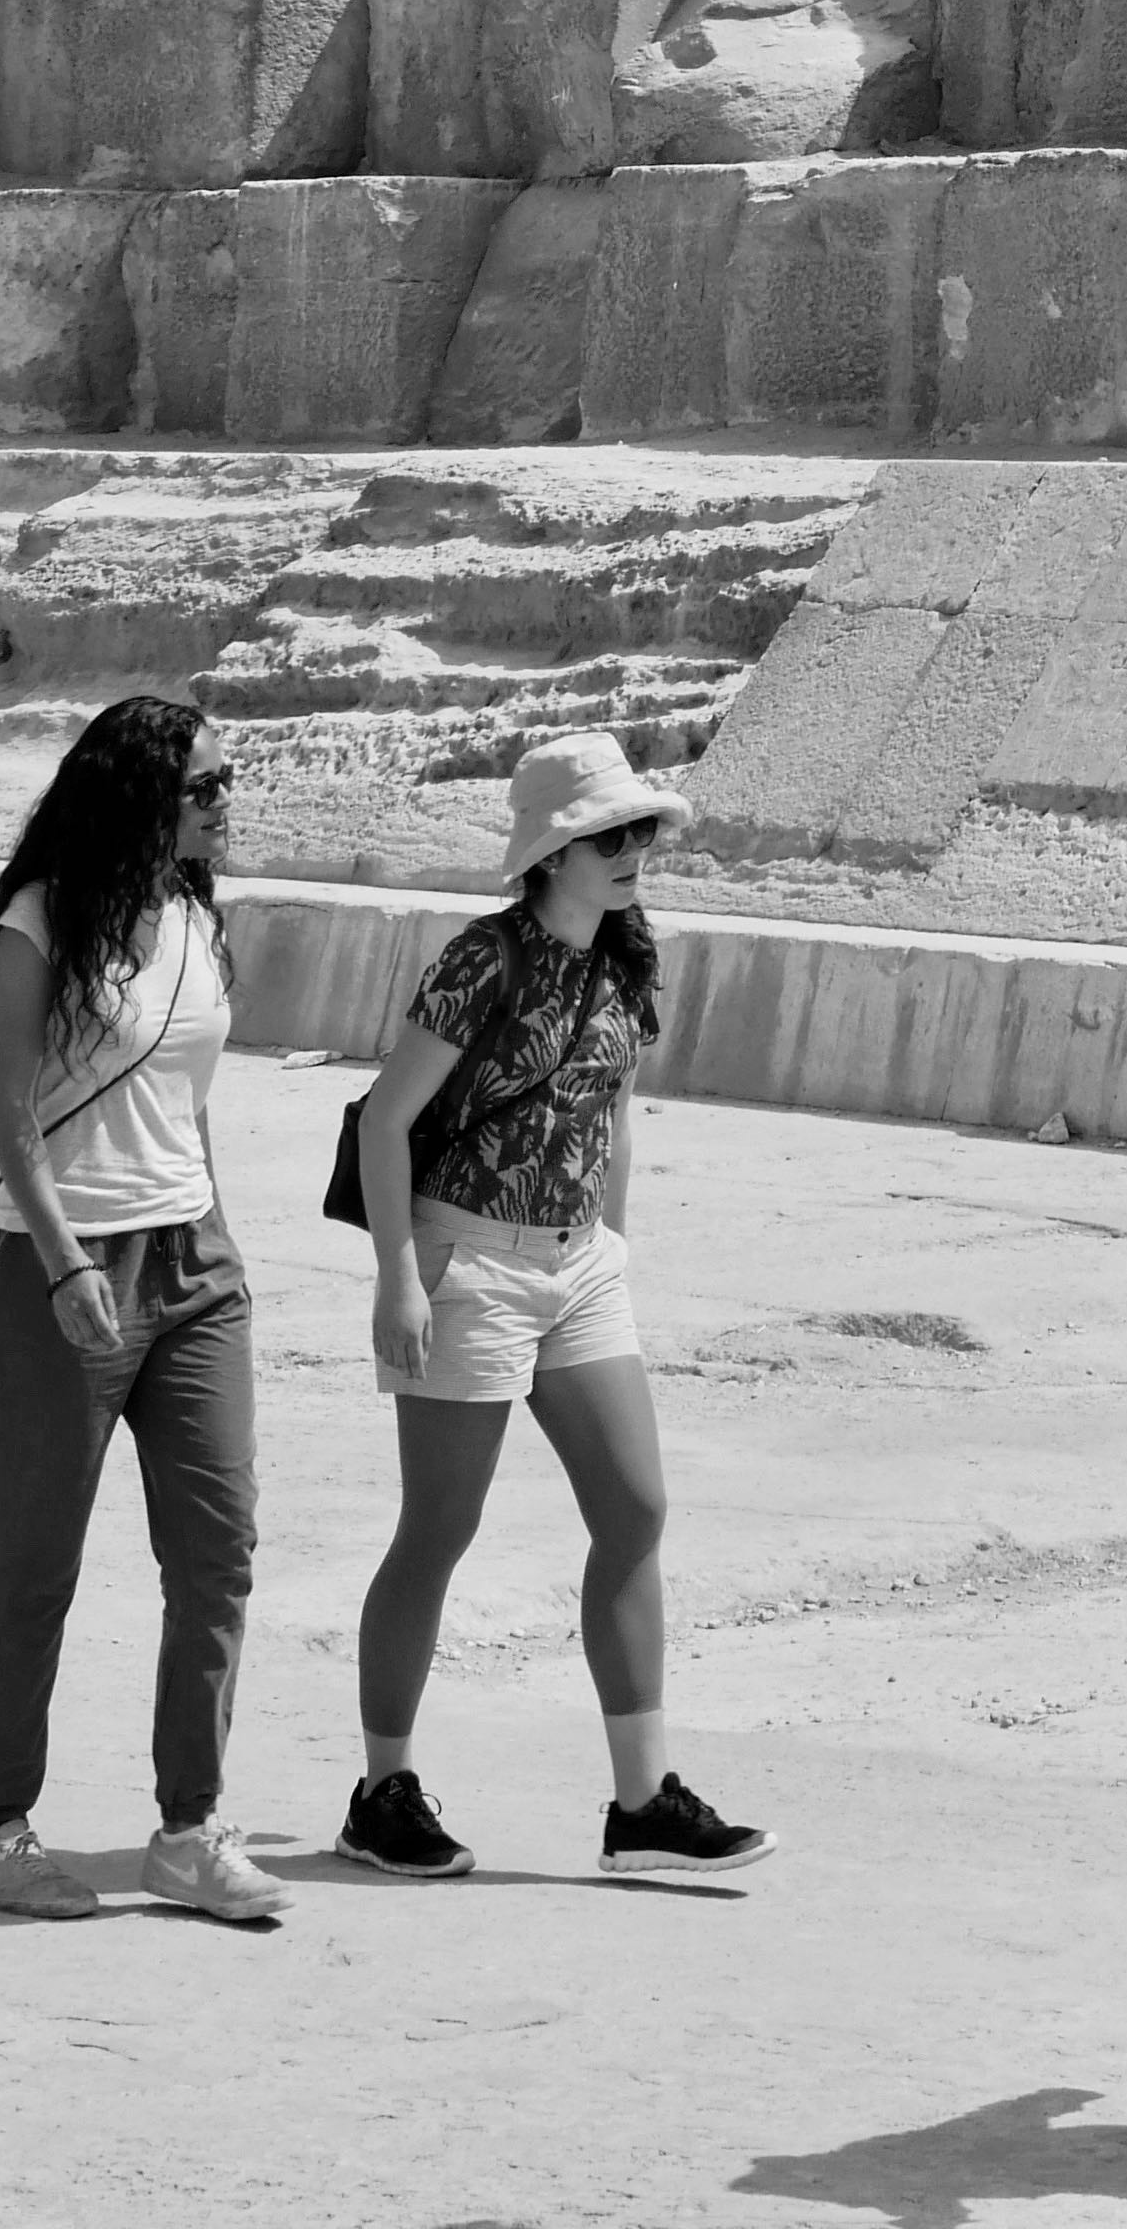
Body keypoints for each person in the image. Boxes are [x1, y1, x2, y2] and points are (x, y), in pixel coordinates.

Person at [335, 725, 770, 1882]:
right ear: (550, 854)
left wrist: (615, 1242)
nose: (633, 852)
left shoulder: (630, 960)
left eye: (638, 832)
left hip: (577, 1266)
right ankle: (383, 1793)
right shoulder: (484, 960)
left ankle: (642, 1804)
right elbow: (386, 1121)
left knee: (634, 1510)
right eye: (607, 836)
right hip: (465, 1261)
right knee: (439, 1532)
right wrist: (396, 1280)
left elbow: (615, 1106)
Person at [0, 690, 281, 1928]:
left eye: (230, 781)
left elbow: (184, 1105)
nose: (227, 803)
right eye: (207, 786)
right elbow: (13, 1119)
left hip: (195, 1261)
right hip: (55, 1265)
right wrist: (70, 1264)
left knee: (217, 1547)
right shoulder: (38, 925)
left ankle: (189, 1830)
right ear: (142, 798)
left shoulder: (197, 918)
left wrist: (213, 1233)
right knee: (33, 1563)